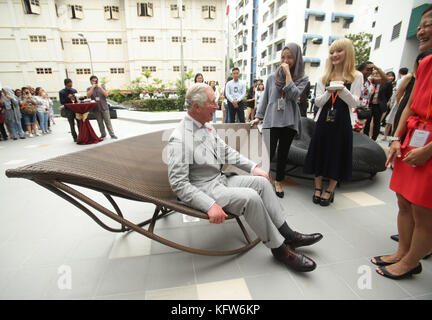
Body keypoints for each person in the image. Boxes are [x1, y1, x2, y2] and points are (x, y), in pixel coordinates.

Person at [167, 83, 323, 272]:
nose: (217, 106)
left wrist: (253, 167)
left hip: (219, 180)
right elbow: (179, 184)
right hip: (205, 190)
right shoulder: (180, 138)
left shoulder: (205, 126)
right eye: (212, 102)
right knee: (251, 198)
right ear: (196, 107)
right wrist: (209, 205)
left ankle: (288, 234)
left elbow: (226, 152)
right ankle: (279, 249)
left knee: (261, 183)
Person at [373, 7, 432, 280]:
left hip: (428, 145)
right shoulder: (423, 63)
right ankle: (402, 251)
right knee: (403, 200)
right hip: (412, 136)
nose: (421, 31)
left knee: (423, 208)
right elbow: (409, 104)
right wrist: (396, 138)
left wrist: (428, 150)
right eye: (421, 25)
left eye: (428, 25)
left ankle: (411, 261)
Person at [303, 38, 363, 206]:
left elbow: (356, 103)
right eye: (332, 52)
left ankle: (330, 189)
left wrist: (342, 90)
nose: (335, 55)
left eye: (339, 51)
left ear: (348, 53)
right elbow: (317, 102)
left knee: (338, 154)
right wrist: (331, 91)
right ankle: (317, 187)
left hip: (342, 123)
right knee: (319, 152)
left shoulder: (356, 76)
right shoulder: (324, 77)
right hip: (324, 121)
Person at [250, 43, 309, 198]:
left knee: (283, 154)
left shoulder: (303, 78)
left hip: (289, 121)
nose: (285, 60)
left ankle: (278, 182)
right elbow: (265, 99)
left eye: (290, 57)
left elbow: (293, 96)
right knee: (266, 153)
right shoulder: (271, 78)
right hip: (271, 120)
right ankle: (263, 180)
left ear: (297, 59)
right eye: (283, 56)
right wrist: (258, 117)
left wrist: (288, 75)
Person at [363, 66, 391, 140]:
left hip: (379, 105)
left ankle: (374, 138)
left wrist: (382, 102)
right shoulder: (371, 82)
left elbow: (388, 95)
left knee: (377, 123)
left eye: (377, 73)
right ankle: (365, 137)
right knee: (367, 122)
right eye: (374, 73)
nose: (375, 75)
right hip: (370, 104)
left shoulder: (386, 83)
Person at [87, 75, 117, 139]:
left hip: (104, 107)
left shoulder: (102, 87)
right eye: (93, 81)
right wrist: (92, 87)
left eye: (96, 80)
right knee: (100, 122)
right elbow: (88, 96)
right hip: (96, 108)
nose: (95, 82)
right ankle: (103, 134)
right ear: (90, 81)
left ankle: (112, 134)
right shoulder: (89, 88)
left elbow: (106, 94)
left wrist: (100, 87)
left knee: (108, 122)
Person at [353, 61, 374, 132]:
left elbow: (385, 79)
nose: (369, 72)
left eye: (371, 70)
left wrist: (376, 67)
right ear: (361, 70)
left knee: (359, 129)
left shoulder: (370, 82)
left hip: (363, 109)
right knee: (353, 128)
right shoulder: (355, 80)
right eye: (367, 70)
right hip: (354, 107)